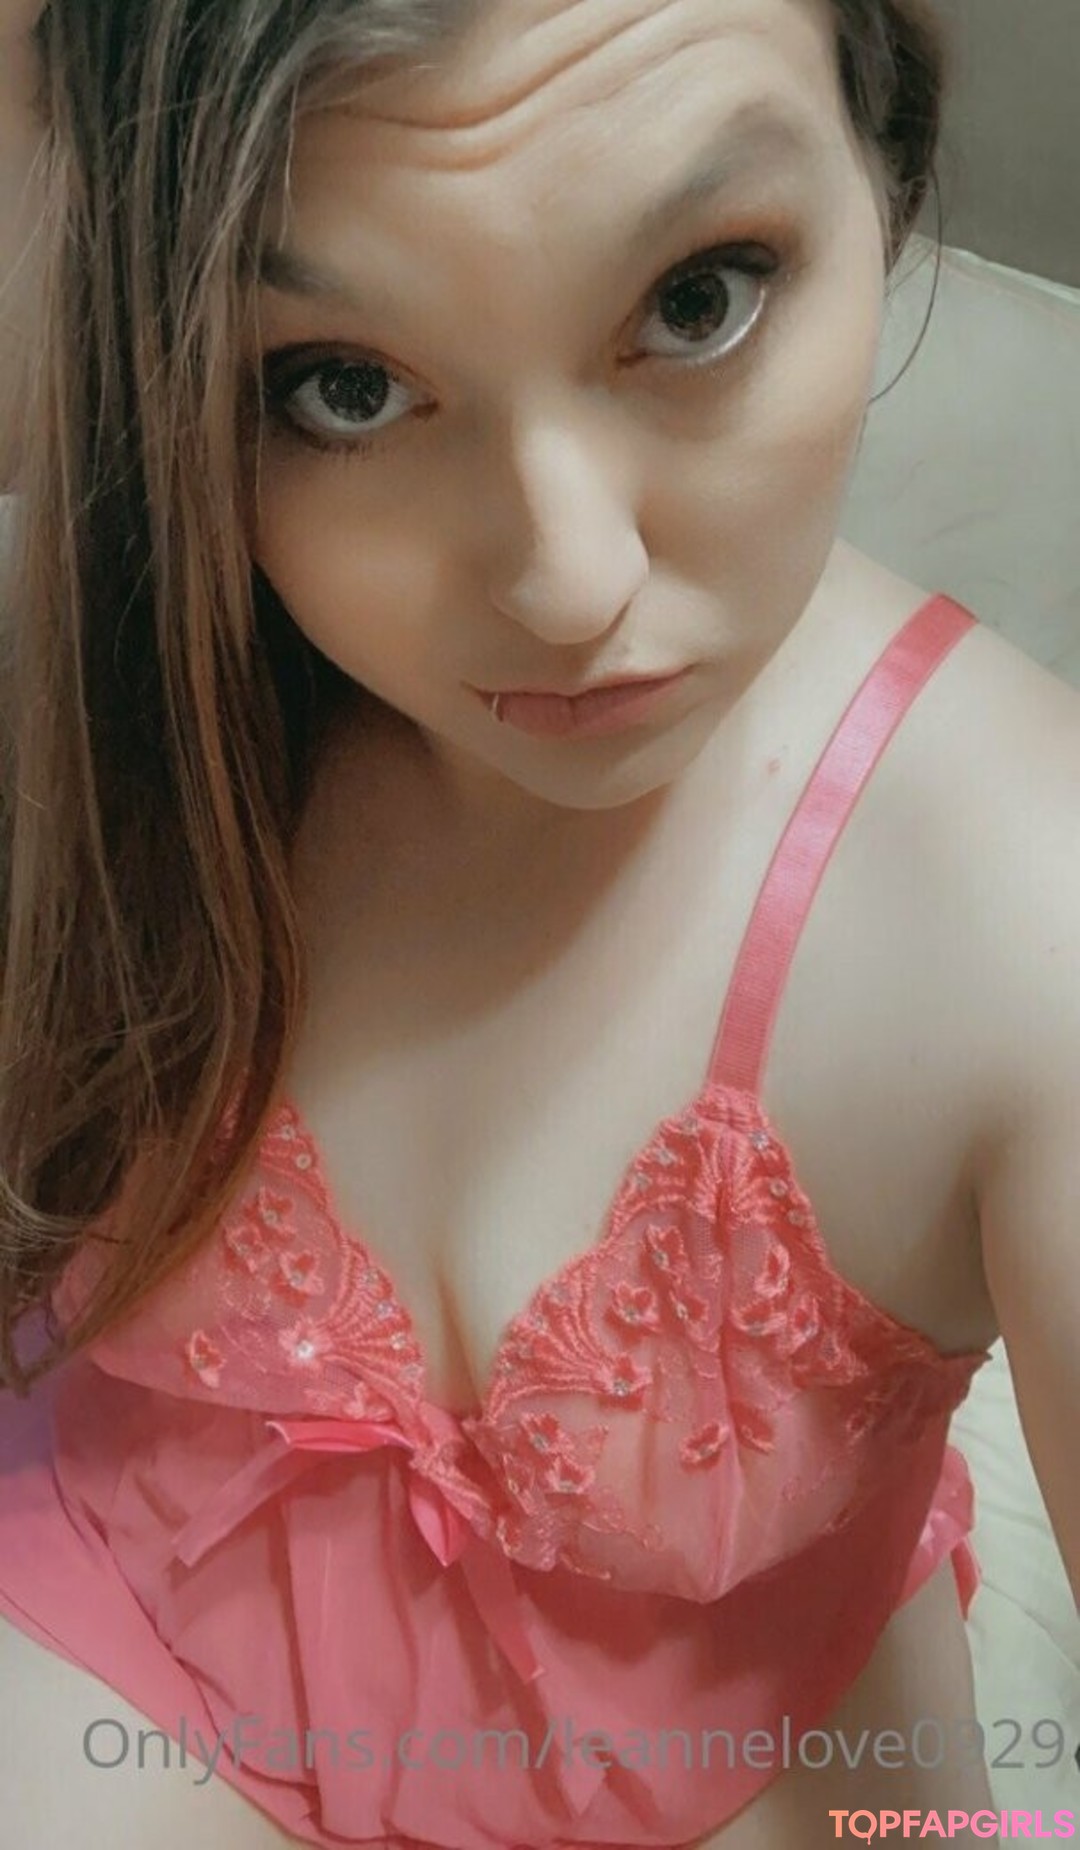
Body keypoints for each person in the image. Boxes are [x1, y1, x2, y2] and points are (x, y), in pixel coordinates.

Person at [0, 1, 1076, 1847]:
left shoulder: (1021, 915)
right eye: (343, 385)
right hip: (124, 1614)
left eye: (697, 298)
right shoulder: (137, 677)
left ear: (883, 162)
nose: (569, 585)